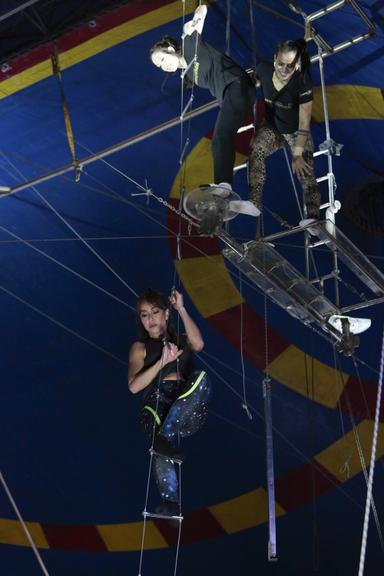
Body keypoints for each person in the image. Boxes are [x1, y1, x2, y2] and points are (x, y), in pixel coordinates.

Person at [150, 5, 259, 225]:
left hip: (236, 87)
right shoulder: (189, 72)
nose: (163, 67)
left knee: (220, 137)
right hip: (235, 97)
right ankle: (234, 202)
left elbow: (203, 8)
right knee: (222, 138)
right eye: (159, 67)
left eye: (161, 59)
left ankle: (224, 188)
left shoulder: (190, 44)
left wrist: (193, 22)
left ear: (170, 49)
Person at [128, 288, 211, 517]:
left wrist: (181, 308)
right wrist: (162, 362)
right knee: (160, 435)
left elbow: (199, 344)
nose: (150, 319)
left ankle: (163, 438)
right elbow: (134, 386)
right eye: (144, 315)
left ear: (165, 313)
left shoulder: (182, 341)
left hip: (185, 410)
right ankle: (170, 503)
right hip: (156, 406)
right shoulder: (140, 348)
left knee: (202, 379)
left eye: (155, 312)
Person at [248, 38, 321, 233]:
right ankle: (254, 202)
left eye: (290, 66)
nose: (284, 70)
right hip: (273, 128)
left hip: (297, 131)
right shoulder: (263, 69)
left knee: (305, 172)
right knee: (256, 150)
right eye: (281, 64)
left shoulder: (302, 82)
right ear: (274, 60)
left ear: (297, 65)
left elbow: (305, 122)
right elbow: (251, 81)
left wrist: (297, 156)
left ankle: (313, 219)